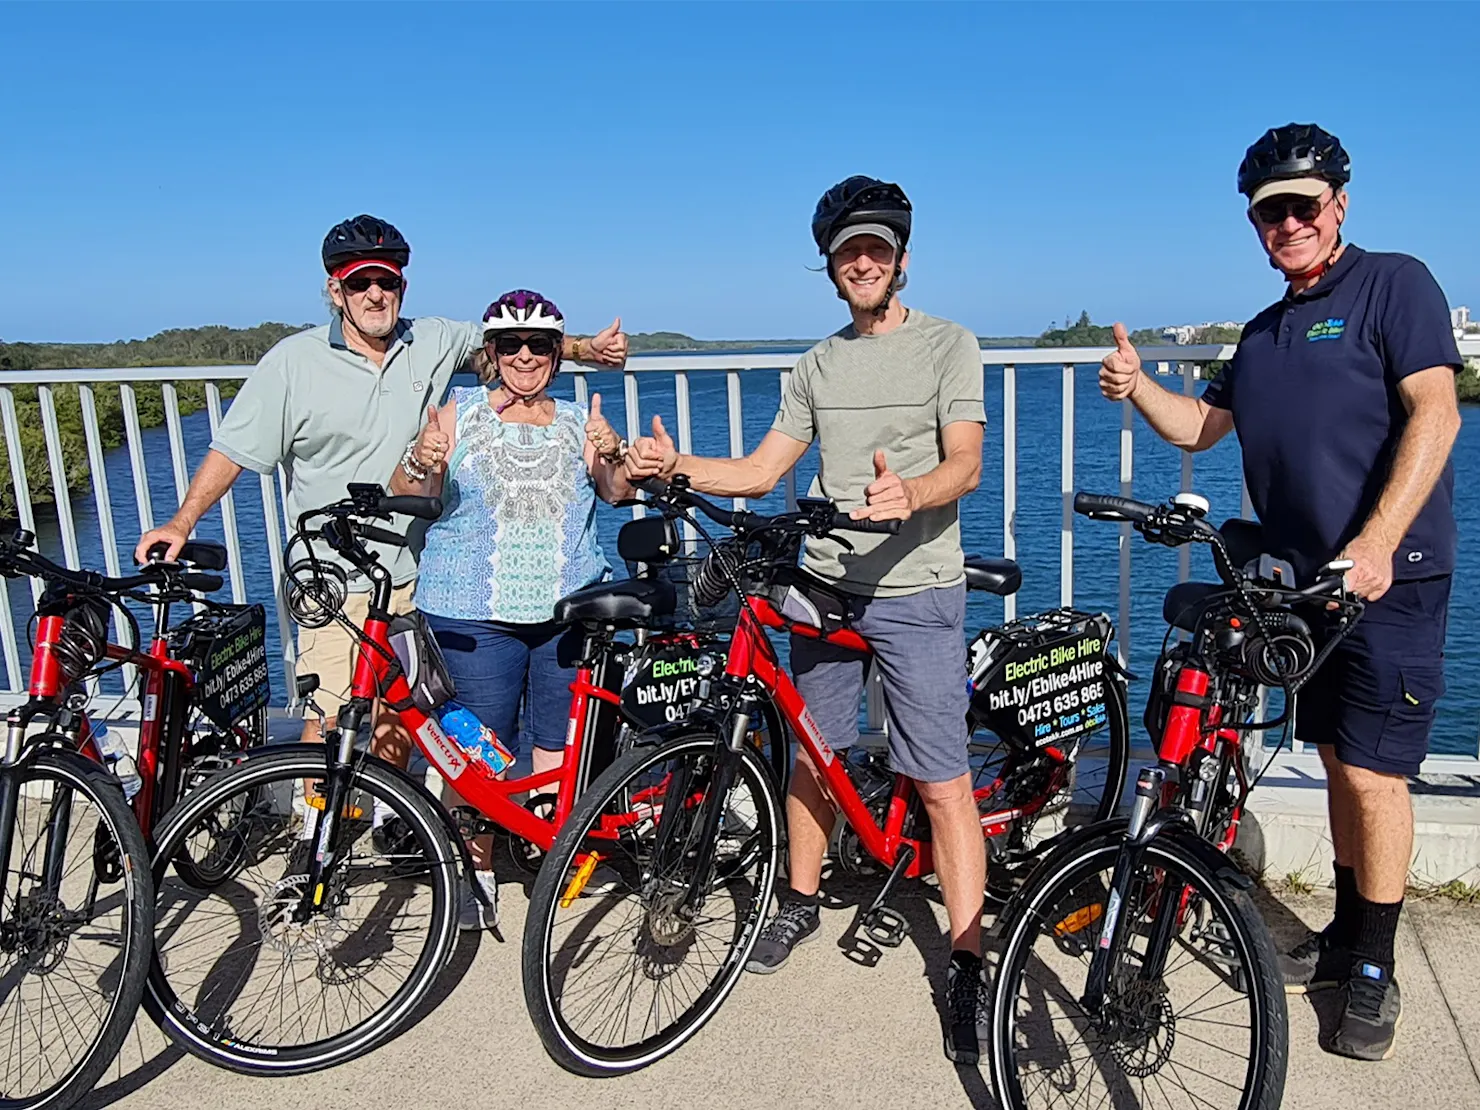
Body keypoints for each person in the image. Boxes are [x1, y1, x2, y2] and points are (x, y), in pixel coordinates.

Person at [1099, 123, 1462, 1062]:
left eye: (1303, 205)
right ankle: (1347, 931)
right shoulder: (1263, 333)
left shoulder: (1396, 284)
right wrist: (1140, 386)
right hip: (1300, 592)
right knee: (1341, 760)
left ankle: (1374, 968)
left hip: (1391, 576)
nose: (1288, 223)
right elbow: (1201, 428)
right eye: (1271, 212)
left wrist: (1378, 543)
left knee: (1376, 775)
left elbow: (1435, 408)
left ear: (1338, 204)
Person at [624, 176, 992, 1064]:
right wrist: (679, 468)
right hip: (823, 585)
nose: (862, 263)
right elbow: (760, 471)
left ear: (901, 260)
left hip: (916, 587)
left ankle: (974, 957)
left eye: (877, 249)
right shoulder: (816, 364)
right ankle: (796, 898)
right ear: (830, 268)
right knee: (811, 752)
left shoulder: (950, 344)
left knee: (941, 779)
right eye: (846, 253)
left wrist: (913, 494)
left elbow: (968, 464)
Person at [134, 216, 628, 758]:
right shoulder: (293, 363)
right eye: (359, 283)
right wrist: (182, 521)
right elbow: (233, 450)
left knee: (399, 712)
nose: (375, 294)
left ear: (402, 287)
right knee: (330, 710)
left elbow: (515, 345)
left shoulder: (431, 339)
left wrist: (586, 350)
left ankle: (389, 821)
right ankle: (317, 832)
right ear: (335, 290)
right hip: (332, 571)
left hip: (414, 572)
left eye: (386, 282)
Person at [392, 289, 632, 928]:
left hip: (566, 609)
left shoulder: (581, 418)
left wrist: (612, 457)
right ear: (491, 354)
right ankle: (475, 869)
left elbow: (614, 494)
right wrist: (422, 460)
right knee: (476, 756)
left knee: (559, 744)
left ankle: (547, 854)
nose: (524, 357)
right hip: (471, 611)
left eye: (539, 346)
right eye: (510, 346)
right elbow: (409, 491)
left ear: (557, 356)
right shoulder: (457, 413)